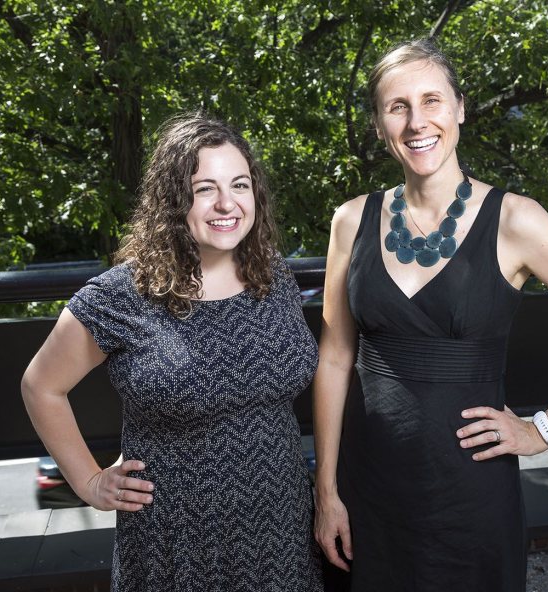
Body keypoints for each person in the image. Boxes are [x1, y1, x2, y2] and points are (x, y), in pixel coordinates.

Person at [312, 39, 548, 591]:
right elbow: (333, 360)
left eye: (432, 100)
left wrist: (543, 430)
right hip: (366, 491)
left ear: (459, 109)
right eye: (397, 106)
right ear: (379, 123)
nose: (417, 121)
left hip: (467, 497)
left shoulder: (517, 220)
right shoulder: (351, 221)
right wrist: (326, 491)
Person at [21, 113, 323, 591]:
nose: (227, 203)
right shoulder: (122, 295)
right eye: (205, 188)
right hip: (176, 546)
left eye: (239, 185)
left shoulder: (274, 277)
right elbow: (41, 385)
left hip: (281, 536)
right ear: (173, 199)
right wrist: (89, 482)